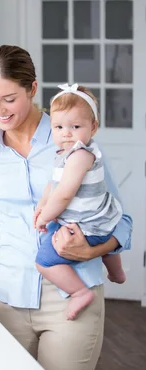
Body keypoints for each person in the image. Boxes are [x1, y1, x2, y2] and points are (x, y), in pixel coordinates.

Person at [0, 45, 132, 370]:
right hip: (8, 301)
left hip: (72, 300)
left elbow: (121, 221)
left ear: (32, 89)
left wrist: (93, 250)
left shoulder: (74, 143)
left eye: (9, 98)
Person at [33, 83, 126, 321]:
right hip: (101, 221)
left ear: (93, 127)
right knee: (106, 235)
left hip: (86, 226)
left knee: (44, 261)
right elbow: (52, 187)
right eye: (59, 127)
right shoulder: (67, 154)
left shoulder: (80, 155)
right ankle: (117, 272)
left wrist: (44, 217)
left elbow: (64, 194)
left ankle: (79, 292)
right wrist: (43, 204)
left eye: (75, 126)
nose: (66, 133)